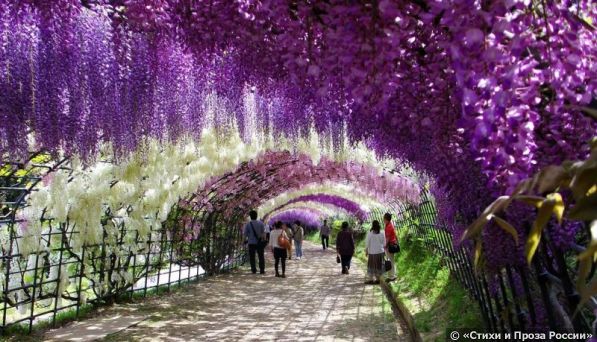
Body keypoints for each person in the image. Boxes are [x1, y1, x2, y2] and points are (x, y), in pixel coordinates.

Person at [243, 210, 266, 274]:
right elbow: (263, 233)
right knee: (261, 256)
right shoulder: (261, 223)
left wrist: (244, 241)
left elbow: (245, 234)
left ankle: (254, 269)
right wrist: (264, 239)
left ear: (250, 216)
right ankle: (262, 269)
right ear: (256, 216)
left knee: (252, 257)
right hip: (259, 242)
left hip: (251, 243)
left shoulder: (248, 224)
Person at [365, 220, 386, 284]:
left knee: (371, 266)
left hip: (372, 252)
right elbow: (384, 243)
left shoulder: (370, 233)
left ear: (372, 225)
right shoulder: (382, 232)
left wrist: (366, 251)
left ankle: (371, 279)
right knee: (379, 265)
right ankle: (378, 279)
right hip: (380, 252)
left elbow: (367, 243)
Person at [384, 213, 397, 281]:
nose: (383, 220)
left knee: (390, 260)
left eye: (384, 218)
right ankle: (392, 275)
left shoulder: (389, 226)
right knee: (391, 260)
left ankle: (392, 276)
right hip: (391, 244)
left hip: (390, 245)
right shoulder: (389, 225)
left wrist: (385, 245)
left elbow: (388, 237)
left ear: (386, 219)